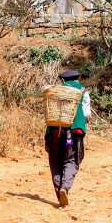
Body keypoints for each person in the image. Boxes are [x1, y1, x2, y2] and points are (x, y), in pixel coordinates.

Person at [45, 67, 91, 206]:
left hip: (55, 133)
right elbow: (87, 113)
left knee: (55, 161)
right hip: (73, 133)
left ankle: (60, 193)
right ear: (77, 79)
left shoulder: (55, 91)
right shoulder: (82, 92)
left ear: (63, 81)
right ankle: (65, 188)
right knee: (71, 159)